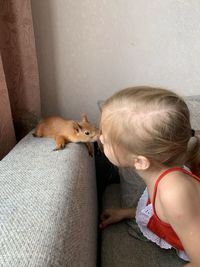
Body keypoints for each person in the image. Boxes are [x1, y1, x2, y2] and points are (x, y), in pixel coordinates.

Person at [99, 86, 200, 267]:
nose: (100, 139)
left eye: (106, 138)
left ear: (140, 161)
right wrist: (128, 213)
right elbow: (169, 214)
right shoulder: (161, 176)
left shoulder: (174, 193)